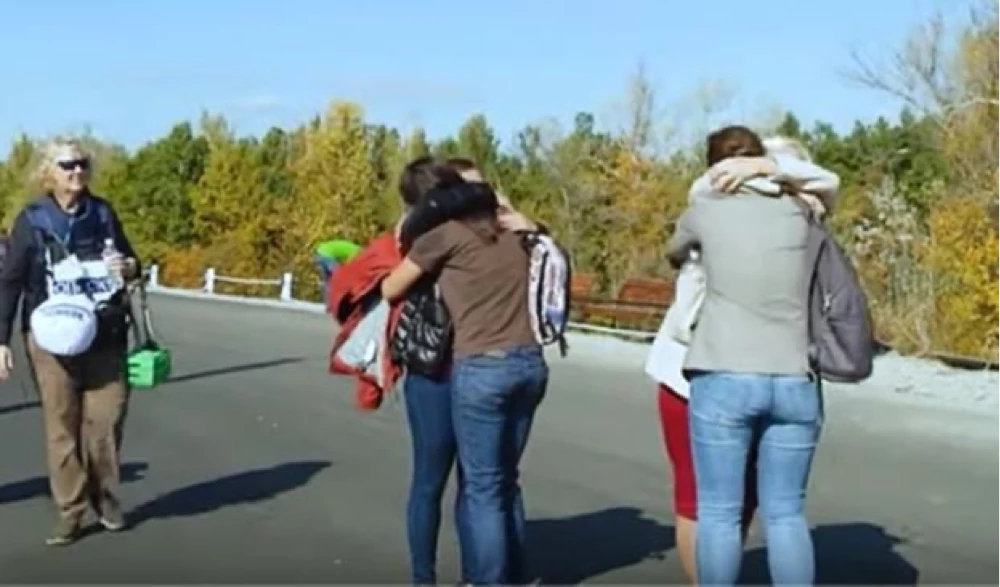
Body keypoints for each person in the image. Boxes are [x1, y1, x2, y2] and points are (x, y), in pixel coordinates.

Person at [648, 134, 840, 583]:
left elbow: (676, 250)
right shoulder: (805, 212)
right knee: (787, 514)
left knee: (717, 511)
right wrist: (772, 169)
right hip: (795, 375)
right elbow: (828, 180)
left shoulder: (707, 206)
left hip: (725, 374)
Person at [382, 179, 547, 586]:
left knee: (483, 488)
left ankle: (488, 580)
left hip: (482, 366)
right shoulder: (517, 236)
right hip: (530, 365)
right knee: (506, 480)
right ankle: (513, 574)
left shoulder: (446, 236)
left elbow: (390, 288)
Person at [0, 139, 141, 546]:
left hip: (105, 334)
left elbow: (134, 264)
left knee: (105, 422)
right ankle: (71, 512)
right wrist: (2, 339)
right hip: (49, 338)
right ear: (50, 172)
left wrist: (127, 266)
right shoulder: (32, 219)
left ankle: (107, 500)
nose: (76, 171)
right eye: (67, 165)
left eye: (82, 164)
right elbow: (9, 282)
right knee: (62, 425)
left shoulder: (103, 213)